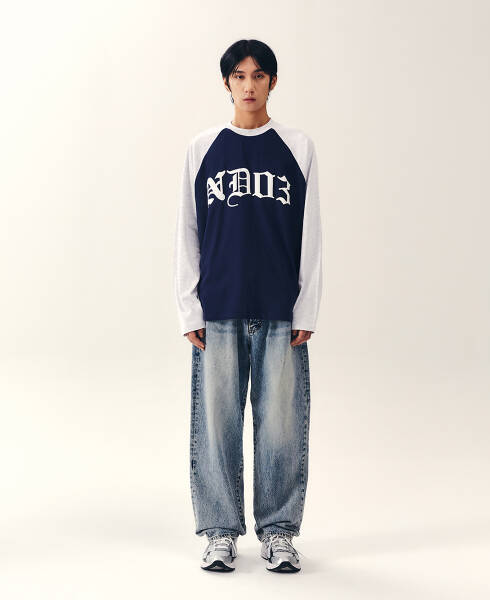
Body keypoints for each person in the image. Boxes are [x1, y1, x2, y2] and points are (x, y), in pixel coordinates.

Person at [173, 39, 322, 573]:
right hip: (218, 308)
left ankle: (279, 532)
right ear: (227, 83)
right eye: (239, 76)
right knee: (215, 427)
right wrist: (189, 307)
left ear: (273, 82)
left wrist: (307, 307)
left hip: (280, 309)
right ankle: (219, 532)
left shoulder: (297, 147)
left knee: (281, 426)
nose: (249, 85)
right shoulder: (202, 148)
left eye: (258, 75)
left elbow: (310, 234)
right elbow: (188, 230)